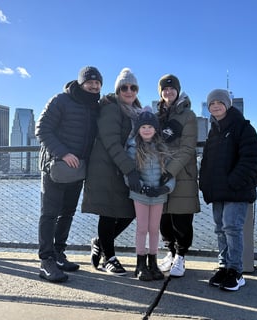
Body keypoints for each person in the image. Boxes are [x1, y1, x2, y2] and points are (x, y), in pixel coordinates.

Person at [35, 66, 103, 282]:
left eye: (97, 83)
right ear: (81, 83)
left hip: (78, 169)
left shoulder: (96, 107)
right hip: (55, 166)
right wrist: (63, 153)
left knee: (67, 213)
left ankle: (58, 254)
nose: (93, 86)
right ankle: (46, 261)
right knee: (49, 214)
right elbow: (42, 128)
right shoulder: (61, 100)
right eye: (89, 82)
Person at [199, 89, 257, 291]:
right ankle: (224, 266)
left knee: (232, 228)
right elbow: (207, 162)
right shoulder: (213, 131)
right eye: (211, 103)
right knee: (220, 229)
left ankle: (236, 271)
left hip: (237, 190)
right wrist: (205, 184)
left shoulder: (243, 127)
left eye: (219, 102)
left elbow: (252, 158)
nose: (215, 106)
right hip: (218, 191)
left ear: (228, 104)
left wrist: (234, 181)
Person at [81, 67, 142, 276]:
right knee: (108, 213)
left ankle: (100, 242)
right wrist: (130, 170)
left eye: (133, 87)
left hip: (121, 168)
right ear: (117, 90)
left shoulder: (135, 110)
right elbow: (111, 143)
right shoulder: (111, 108)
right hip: (106, 169)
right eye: (124, 87)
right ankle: (110, 257)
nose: (129, 91)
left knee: (130, 211)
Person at [156, 74, 200, 277]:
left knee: (181, 218)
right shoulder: (157, 115)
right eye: (165, 89)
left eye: (172, 88)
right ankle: (170, 253)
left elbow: (187, 148)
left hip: (182, 173)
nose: (168, 92)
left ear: (178, 90)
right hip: (159, 172)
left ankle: (181, 257)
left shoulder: (188, 115)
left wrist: (169, 171)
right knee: (163, 217)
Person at [125, 106, 175, 281]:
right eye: (143, 127)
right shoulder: (132, 148)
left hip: (159, 195)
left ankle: (153, 262)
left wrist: (165, 188)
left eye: (150, 127)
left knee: (154, 229)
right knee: (142, 228)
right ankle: (140, 264)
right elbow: (129, 174)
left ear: (156, 129)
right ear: (138, 129)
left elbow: (170, 174)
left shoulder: (162, 148)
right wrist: (141, 187)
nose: (147, 130)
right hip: (140, 194)